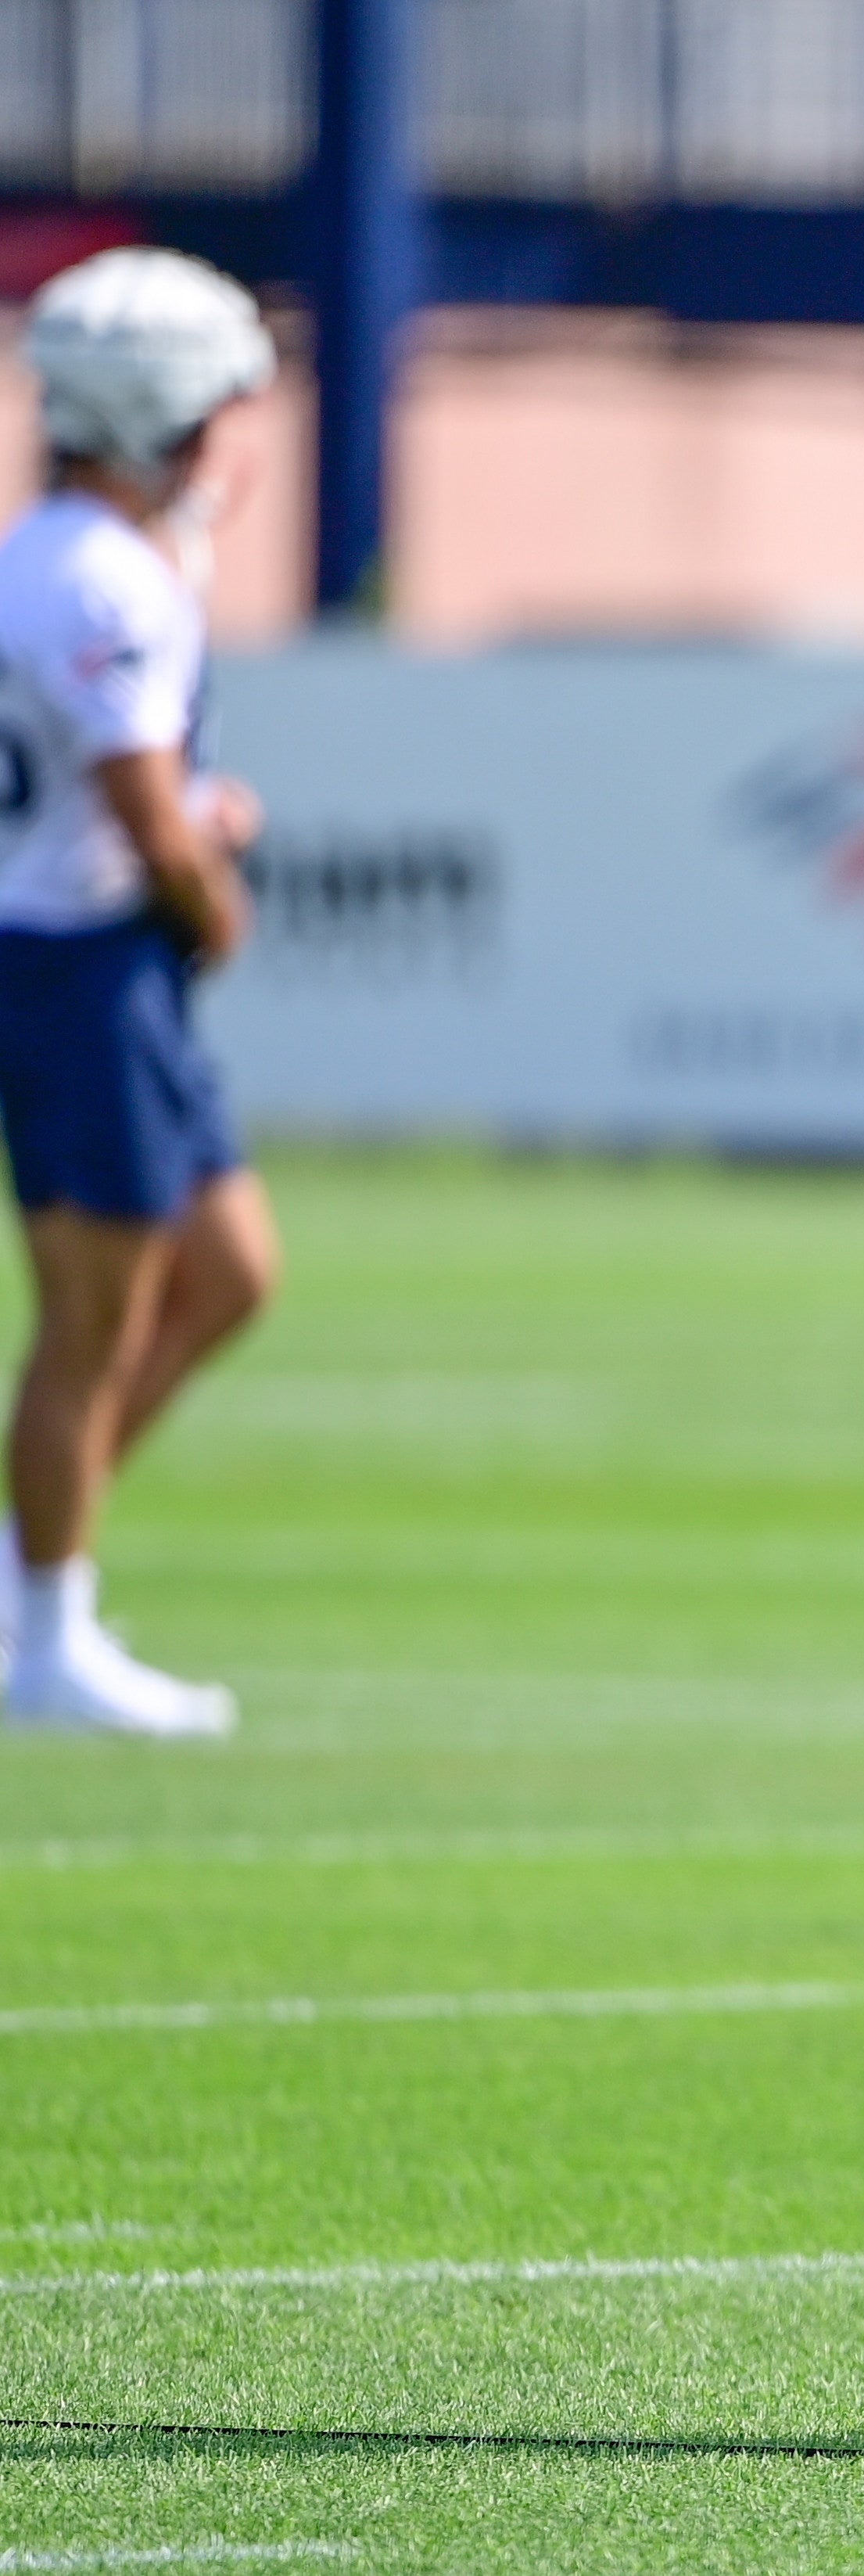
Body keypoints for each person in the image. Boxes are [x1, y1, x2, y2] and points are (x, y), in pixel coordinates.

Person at [0, 248, 281, 1741]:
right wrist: (208, 885)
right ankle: (45, 1631)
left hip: (91, 957)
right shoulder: (93, 574)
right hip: (71, 962)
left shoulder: (85, 558)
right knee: (88, 1317)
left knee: (229, 1270)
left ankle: (26, 1578)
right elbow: (136, 808)